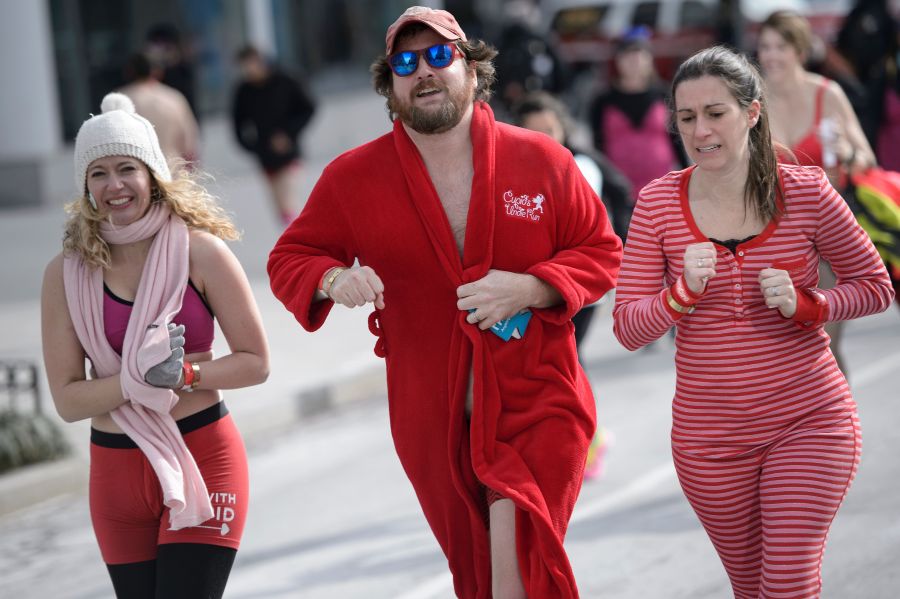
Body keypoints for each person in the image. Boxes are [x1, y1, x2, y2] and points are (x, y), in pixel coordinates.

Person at [267, 7, 622, 598]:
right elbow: (290, 258)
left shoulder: (540, 159)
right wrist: (332, 279)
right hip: (431, 420)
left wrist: (531, 287)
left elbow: (601, 250)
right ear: (390, 85)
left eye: (439, 56)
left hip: (539, 404)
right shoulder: (354, 179)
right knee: (478, 581)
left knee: (518, 573)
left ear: (472, 70)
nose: (423, 71)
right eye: (406, 62)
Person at [612, 46, 894, 598]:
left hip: (808, 421)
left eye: (715, 113)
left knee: (786, 584)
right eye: (687, 117)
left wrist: (811, 305)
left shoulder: (807, 192)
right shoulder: (658, 205)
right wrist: (679, 296)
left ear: (752, 113)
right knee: (752, 589)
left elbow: (876, 287)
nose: (700, 130)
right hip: (708, 442)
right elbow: (627, 327)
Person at [41, 93, 270, 599]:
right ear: (85, 186)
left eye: (127, 168)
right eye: (98, 173)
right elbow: (67, 399)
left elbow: (256, 363)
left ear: (152, 174)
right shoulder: (65, 274)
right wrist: (134, 379)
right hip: (116, 473)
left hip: (204, 455)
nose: (114, 185)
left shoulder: (200, 252)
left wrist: (186, 376)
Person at [512, 90, 631, 479]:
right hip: (539, 284)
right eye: (532, 132)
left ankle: (589, 438)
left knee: (568, 363)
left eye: (549, 129)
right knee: (558, 366)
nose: (543, 138)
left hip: (579, 286)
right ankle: (581, 437)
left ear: (564, 128)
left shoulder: (579, 165)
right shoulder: (517, 168)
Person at [758, 10, 879, 376]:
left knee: (822, 338)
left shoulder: (828, 94)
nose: (770, 55)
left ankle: (838, 425)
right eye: (764, 47)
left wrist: (846, 153)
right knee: (778, 348)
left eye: (780, 46)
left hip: (825, 233)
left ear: (799, 49)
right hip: (771, 236)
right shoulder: (753, 103)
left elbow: (866, 157)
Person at [588, 26, 689, 229]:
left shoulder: (664, 94)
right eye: (627, 55)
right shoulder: (602, 100)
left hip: (660, 188)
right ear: (617, 61)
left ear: (649, 59)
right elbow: (596, 145)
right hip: (619, 192)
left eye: (639, 55)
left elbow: (678, 140)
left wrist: (689, 178)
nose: (634, 61)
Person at [232, 45, 317, 227]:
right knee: (280, 208)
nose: (249, 69)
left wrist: (289, 134)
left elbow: (308, 108)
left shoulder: (286, 80)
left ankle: (299, 237)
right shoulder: (244, 91)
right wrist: (253, 147)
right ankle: (294, 236)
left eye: (252, 63)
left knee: (287, 201)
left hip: (289, 152)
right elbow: (238, 124)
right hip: (265, 155)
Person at [119, 52, 200, 168]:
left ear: (129, 72)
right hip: (171, 170)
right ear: (157, 71)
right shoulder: (174, 98)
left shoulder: (119, 100)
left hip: (135, 172)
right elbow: (189, 142)